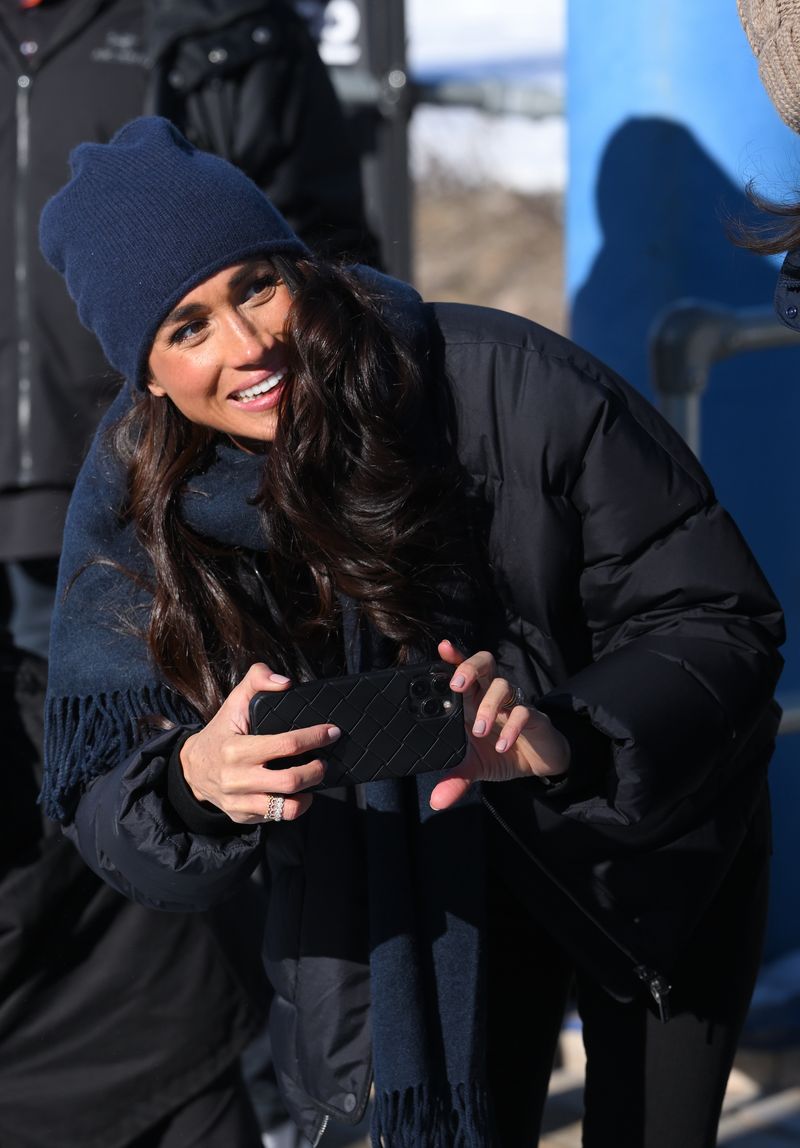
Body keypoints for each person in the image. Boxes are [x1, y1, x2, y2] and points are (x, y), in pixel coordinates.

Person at [39, 116, 784, 1148]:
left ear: (304, 270)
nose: (248, 345)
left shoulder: (500, 382)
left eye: (256, 285)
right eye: (188, 326)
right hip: (384, 911)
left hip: (633, 857)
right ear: (148, 374)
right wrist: (195, 784)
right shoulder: (137, 517)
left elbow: (718, 616)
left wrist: (564, 732)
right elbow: (106, 804)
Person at [1, 4, 376, 1146]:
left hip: (159, 505)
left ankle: (258, 1093)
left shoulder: (218, 25)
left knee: (239, 789)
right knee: (63, 847)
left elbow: (315, 253)